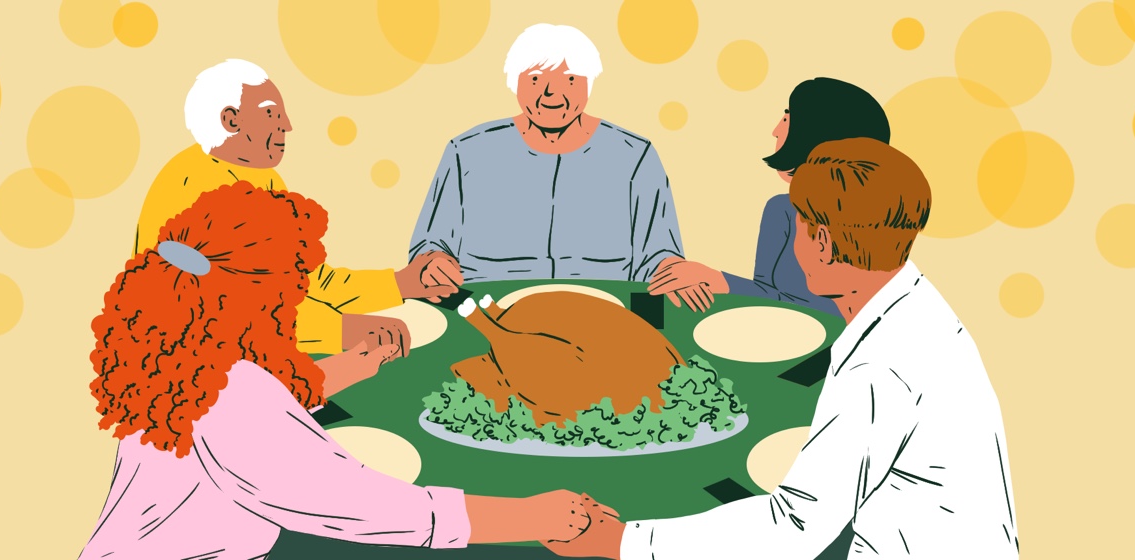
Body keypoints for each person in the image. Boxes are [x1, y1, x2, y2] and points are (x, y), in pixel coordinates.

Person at [80, 182, 612, 559]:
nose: (295, 300)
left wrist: (353, 366)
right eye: (293, 285)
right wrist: (532, 516)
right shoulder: (233, 398)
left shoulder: (185, 363)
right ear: (255, 296)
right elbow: (358, 503)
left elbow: (269, 402)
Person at [549, 138, 1020, 559]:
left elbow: (793, 528)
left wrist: (623, 542)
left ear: (822, 242)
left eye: (800, 226)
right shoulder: (914, 308)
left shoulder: (882, 365)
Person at [134, 59, 462, 356]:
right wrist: (342, 330)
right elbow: (228, 308)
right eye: (270, 113)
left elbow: (307, 280)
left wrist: (403, 282)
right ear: (231, 120)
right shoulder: (197, 186)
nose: (286, 125)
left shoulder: (262, 178)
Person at [408, 24, 689, 288]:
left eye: (569, 79)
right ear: (515, 82)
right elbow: (430, 245)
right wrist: (433, 263)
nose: (551, 92)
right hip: (488, 310)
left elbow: (659, 256)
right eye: (535, 79)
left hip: (603, 310)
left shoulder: (635, 156)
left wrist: (675, 270)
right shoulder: (466, 152)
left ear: (589, 83)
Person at [648, 78, 891, 315]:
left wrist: (723, 282)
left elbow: (843, 313)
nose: (775, 131)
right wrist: (709, 281)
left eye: (787, 118)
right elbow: (764, 296)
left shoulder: (871, 221)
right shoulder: (780, 208)